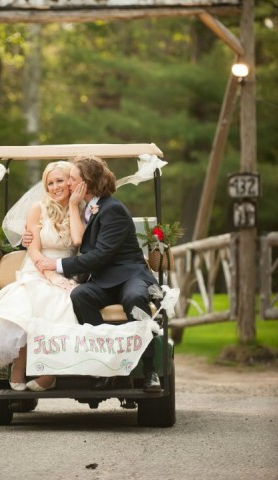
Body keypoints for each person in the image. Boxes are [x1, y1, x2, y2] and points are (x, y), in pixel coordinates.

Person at [35, 155, 163, 392]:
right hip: (105, 280)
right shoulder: (90, 207)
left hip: (129, 276)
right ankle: (106, 365)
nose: (68, 184)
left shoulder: (112, 209)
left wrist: (57, 265)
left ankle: (150, 371)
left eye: (72, 179)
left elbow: (101, 256)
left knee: (134, 299)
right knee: (80, 296)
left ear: (88, 182)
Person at [0, 161, 86, 392]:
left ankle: (51, 370)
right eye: (50, 183)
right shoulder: (38, 208)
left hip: (66, 268)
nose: (55, 187)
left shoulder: (83, 208)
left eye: (60, 181)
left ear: (70, 182)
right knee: (30, 301)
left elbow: (78, 242)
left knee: (63, 302)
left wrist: (75, 206)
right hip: (36, 268)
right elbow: (34, 249)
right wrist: (49, 275)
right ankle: (20, 363)